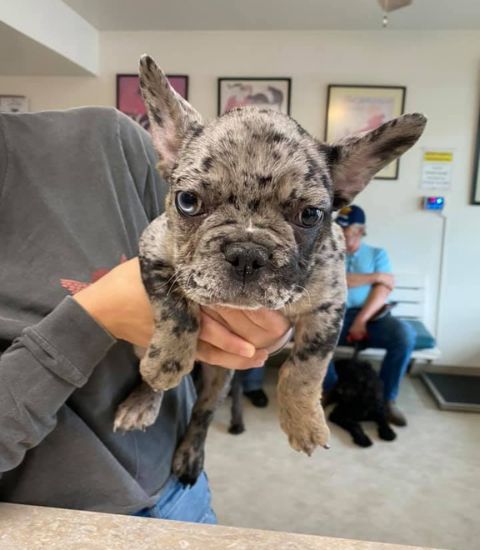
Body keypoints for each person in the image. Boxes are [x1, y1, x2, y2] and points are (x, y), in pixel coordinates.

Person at [0, 107, 291, 522]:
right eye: (194, 201)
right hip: (35, 520)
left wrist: (275, 315)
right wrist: (94, 318)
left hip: (174, 484)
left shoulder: (109, 139)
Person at [323, 205, 416, 426]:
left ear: (360, 231)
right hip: (332, 314)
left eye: (347, 233)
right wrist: (374, 276)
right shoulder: (328, 252)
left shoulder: (377, 254)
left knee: (404, 336)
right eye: (339, 232)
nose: (342, 238)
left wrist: (361, 320)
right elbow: (333, 280)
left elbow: (383, 289)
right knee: (313, 335)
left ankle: (386, 399)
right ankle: (331, 390)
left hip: (370, 317)